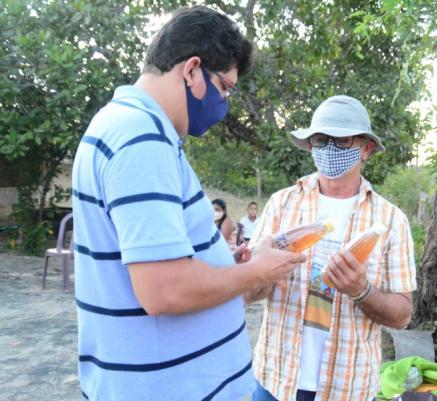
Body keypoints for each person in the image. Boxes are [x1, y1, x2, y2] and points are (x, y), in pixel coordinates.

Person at [71, 6, 305, 401]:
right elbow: (164, 290)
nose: (224, 102)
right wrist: (258, 271)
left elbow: (155, 266)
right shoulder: (139, 137)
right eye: (226, 87)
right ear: (192, 70)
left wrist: (222, 264)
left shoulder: (135, 129)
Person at [246, 96, 417, 401]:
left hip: (347, 388)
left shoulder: (391, 221)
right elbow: (248, 293)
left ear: (366, 148)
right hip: (275, 380)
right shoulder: (282, 205)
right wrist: (259, 273)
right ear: (310, 144)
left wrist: (360, 290)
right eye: (321, 140)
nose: (329, 149)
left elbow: (402, 315)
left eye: (341, 140)